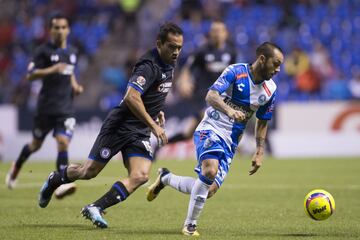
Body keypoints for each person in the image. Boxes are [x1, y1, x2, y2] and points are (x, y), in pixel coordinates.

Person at [38, 22, 184, 228]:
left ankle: (95, 207)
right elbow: (131, 96)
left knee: (141, 175)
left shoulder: (170, 63)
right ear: (159, 44)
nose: (176, 51)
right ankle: (55, 179)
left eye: (179, 47)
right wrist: (153, 124)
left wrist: (156, 111)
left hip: (139, 130)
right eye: (171, 46)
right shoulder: (148, 66)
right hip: (120, 125)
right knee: (88, 172)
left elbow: (151, 93)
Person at [147, 42, 284, 236]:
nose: (278, 69)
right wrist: (229, 110)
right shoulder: (235, 72)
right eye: (275, 63)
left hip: (231, 141)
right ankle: (190, 225)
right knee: (210, 170)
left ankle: (166, 178)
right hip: (211, 128)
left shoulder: (270, 90)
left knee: (207, 189)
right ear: (262, 59)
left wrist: (260, 151)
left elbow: (263, 121)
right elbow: (211, 96)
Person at [5, 13, 83, 200]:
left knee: (63, 142)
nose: (60, 31)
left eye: (63, 27)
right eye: (56, 27)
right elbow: (30, 75)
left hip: (66, 108)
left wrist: (75, 85)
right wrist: (52, 69)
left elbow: (70, 73)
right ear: (50, 30)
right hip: (46, 108)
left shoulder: (72, 52)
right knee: (35, 145)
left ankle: (61, 183)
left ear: (68, 30)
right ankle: (16, 166)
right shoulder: (43, 51)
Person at [154, 20, 237, 158]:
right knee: (211, 122)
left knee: (187, 134)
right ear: (210, 33)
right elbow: (187, 68)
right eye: (214, 31)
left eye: (220, 30)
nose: (217, 34)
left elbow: (238, 74)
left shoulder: (232, 53)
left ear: (225, 33)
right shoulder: (202, 51)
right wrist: (184, 81)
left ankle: (161, 143)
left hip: (223, 97)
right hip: (203, 97)